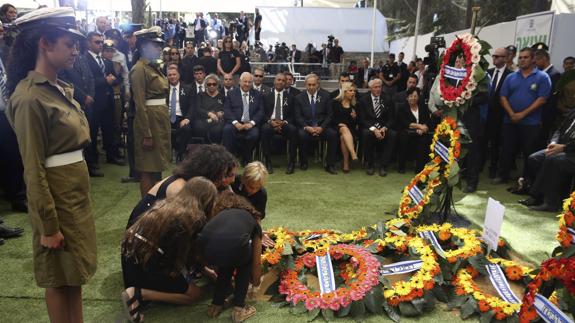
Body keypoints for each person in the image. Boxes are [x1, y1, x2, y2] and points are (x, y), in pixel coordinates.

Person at [5, 7, 97, 322]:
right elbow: (33, 168)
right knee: (59, 278)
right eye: (68, 43)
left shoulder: (57, 88)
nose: (75, 50)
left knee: (74, 274)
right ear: (45, 43)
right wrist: (48, 225)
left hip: (73, 196)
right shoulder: (30, 97)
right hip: (55, 199)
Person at [121, 177, 218, 322]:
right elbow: (179, 258)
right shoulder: (194, 218)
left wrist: (204, 271)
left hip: (130, 257)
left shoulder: (169, 203)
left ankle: (141, 290)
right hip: (147, 263)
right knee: (194, 294)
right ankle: (140, 294)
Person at [126, 144, 238, 228]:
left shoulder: (199, 184)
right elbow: (192, 225)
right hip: (144, 240)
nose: (232, 180)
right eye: (227, 175)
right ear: (211, 172)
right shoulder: (179, 188)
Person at [199, 191, 262, 323]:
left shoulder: (219, 216)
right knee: (244, 261)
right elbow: (256, 260)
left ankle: (216, 304)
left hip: (206, 252)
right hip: (232, 251)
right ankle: (239, 309)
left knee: (227, 261)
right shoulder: (252, 218)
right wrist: (256, 282)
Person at [493, 47, 552, 184]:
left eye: (525, 57)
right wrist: (512, 114)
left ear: (533, 59)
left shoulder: (543, 77)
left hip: (531, 122)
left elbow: (542, 99)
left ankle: (527, 179)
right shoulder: (511, 77)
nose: (522, 60)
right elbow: (503, 97)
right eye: (520, 57)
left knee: (529, 153)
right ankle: (503, 175)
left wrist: (522, 114)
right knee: (506, 149)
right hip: (510, 120)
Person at [130, 26, 171, 197]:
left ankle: (157, 202)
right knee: (148, 168)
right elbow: (139, 104)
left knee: (157, 165)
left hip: (159, 120)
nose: (160, 48)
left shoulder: (153, 67)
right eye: (155, 45)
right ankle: (147, 207)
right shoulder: (139, 69)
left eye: (160, 45)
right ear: (143, 46)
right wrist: (146, 133)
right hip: (149, 123)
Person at [519, 109, 575, 212]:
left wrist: (564, 148)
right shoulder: (573, 111)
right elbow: (559, 130)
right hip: (561, 147)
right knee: (534, 158)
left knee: (553, 160)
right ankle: (539, 195)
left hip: (571, 152)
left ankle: (550, 203)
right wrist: (553, 142)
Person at [85, 32, 124, 168]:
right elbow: (87, 80)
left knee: (109, 129)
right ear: (88, 43)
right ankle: (93, 161)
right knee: (93, 131)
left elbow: (117, 77)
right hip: (94, 101)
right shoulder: (85, 59)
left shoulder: (106, 61)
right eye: (97, 42)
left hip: (108, 100)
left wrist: (113, 80)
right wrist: (105, 81)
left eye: (101, 42)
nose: (100, 44)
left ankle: (111, 156)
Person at [295, 73, 338, 174]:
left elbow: (329, 115)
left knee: (333, 135)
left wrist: (322, 127)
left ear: (318, 85)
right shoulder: (299, 98)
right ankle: (303, 162)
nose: (311, 87)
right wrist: (306, 127)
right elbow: (298, 117)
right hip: (307, 126)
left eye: (313, 84)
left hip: (322, 126)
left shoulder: (326, 95)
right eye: (309, 85)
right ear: (305, 85)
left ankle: (330, 165)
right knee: (301, 135)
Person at [482, 47, 512, 179]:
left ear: (505, 58)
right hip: (484, 114)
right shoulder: (486, 73)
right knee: (481, 141)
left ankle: (493, 168)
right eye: (493, 56)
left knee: (495, 144)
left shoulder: (510, 75)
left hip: (499, 116)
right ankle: (478, 166)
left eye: (498, 56)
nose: (494, 58)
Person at [223, 72, 264, 165]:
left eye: (250, 82)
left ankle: (246, 155)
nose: (247, 84)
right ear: (240, 82)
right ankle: (229, 158)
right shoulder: (231, 94)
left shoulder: (258, 94)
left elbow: (261, 112)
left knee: (254, 135)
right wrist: (235, 123)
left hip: (250, 124)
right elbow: (227, 110)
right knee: (227, 130)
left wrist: (252, 123)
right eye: (245, 81)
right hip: (235, 123)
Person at [358, 78, 397, 176]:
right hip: (370, 127)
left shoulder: (388, 98)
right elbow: (362, 119)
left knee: (392, 134)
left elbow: (392, 118)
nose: (378, 89)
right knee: (366, 134)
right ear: (370, 88)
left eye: (379, 87)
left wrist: (384, 128)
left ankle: (383, 166)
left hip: (383, 127)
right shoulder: (363, 100)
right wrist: (374, 129)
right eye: (375, 87)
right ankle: (370, 164)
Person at [261, 72, 298, 174]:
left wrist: (284, 122)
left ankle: (291, 162)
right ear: (274, 81)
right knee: (264, 129)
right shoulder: (266, 96)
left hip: (284, 123)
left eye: (283, 80)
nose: (281, 82)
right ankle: (267, 162)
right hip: (270, 123)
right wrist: (270, 122)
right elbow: (262, 113)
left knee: (294, 130)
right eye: (279, 80)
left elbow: (293, 115)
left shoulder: (290, 97)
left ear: (286, 83)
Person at [396, 87, 431, 173]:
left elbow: (427, 121)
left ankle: (419, 168)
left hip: (420, 131)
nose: (413, 98)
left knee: (423, 141)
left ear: (418, 97)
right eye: (411, 96)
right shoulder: (402, 107)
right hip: (406, 130)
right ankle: (401, 166)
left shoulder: (423, 107)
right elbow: (405, 123)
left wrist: (423, 129)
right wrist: (419, 126)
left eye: (415, 96)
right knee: (404, 139)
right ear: (407, 97)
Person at [166, 64, 195, 160]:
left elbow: (192, 106)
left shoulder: (187, 88)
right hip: (166, 117)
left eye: (174, 74)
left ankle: (180, 153)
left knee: (187, 129)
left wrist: (187, 119)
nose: (172, 77)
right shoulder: (163, 88)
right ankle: (167, 152)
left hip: (181, 117)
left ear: (178, 75)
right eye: (170, 75)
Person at [534, 48, 562, 146]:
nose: (535, 63)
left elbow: (551, 99)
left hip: (545, 115)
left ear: (544, 59)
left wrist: (543, 117)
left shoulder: (554, 74)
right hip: (535, 114)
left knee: (541, 141)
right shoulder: (539, 74)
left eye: (537, 60)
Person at [332, 82, 358, 173]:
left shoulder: (354, 105)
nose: (353, 93)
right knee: (343, 128)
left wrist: (354, 118)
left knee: (344, 136)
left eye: (354, 91)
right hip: (337, 127)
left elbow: (356, 123)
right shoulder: (335, 103)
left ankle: (346, 163)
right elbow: (331, 117)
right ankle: (353, 154)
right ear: (344, 91)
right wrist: (339, 124)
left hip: (350, 129)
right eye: (350, 91)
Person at [193, 74, 226, 144]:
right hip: (203, 119)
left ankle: (215, 149)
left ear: (217, 85)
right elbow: (198, 108)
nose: (212, 86)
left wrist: (221, 113)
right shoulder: (200, 95)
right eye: (209, 84)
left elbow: (225, 110)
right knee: (198, 127)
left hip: (217, 120)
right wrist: (209, 113)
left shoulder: (222, 97)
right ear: (206, 85)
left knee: (217, 130)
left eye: (214, 84)